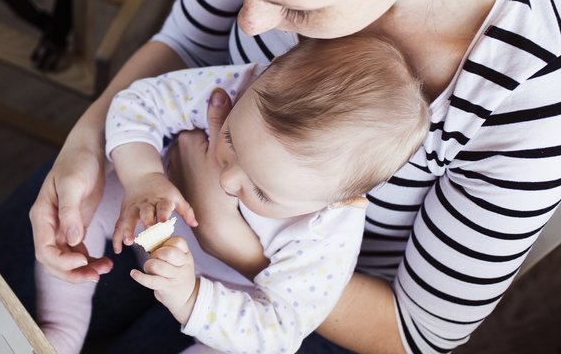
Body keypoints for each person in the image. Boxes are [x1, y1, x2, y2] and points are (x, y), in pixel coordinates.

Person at [0, 0, 561, 352]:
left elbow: (418, 335)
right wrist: (86, 143)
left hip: (313, 298)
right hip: (159, 172)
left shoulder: (544, 72)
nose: (251, 25)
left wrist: (233, 241)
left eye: (294, 7)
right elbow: (187, 45)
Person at [34, 35, 429, 353]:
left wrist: (191, 296)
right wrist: (143, 177)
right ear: (261, 78)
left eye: (260, 190)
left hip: (229, 294)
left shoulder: (327, 235)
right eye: (230, 140)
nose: (226, 181)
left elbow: (277, 331)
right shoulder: (242, 87)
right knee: (81, 209)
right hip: (152, 204)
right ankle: (60, 330)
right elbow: (139, 102)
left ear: (340, 200)